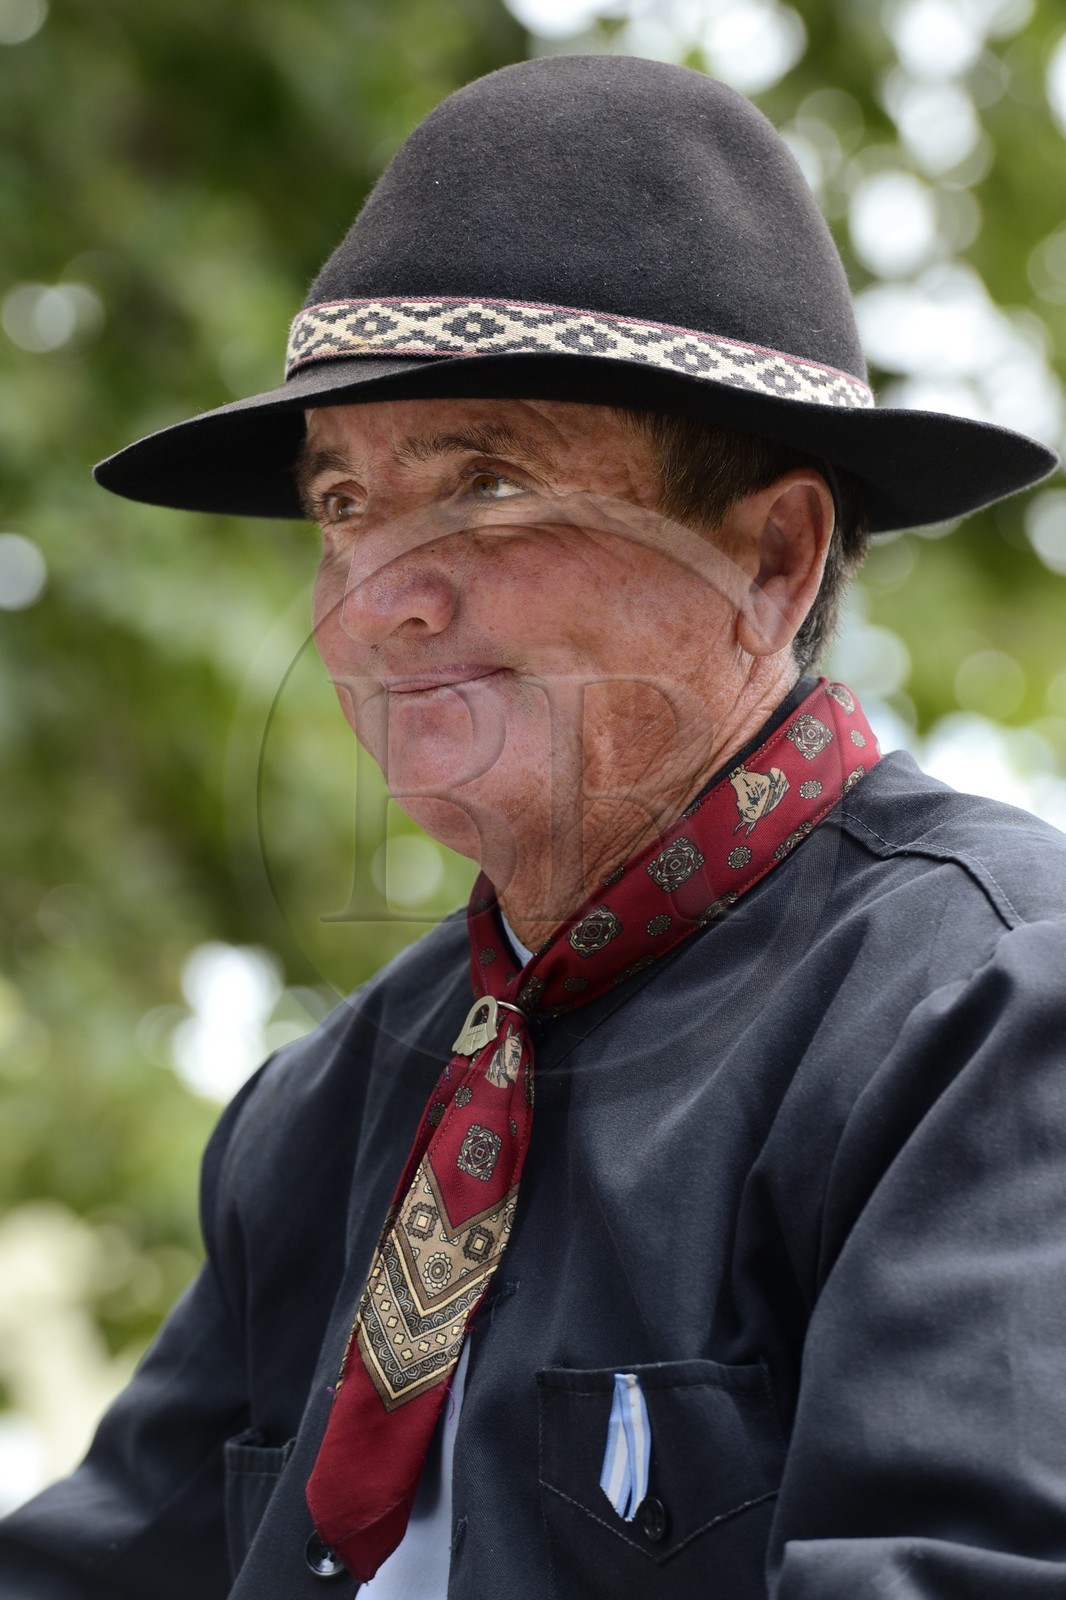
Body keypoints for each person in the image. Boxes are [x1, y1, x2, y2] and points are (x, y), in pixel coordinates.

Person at [2, 51, 1065, 1600]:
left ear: (768, 559)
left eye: (488, 484)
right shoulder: (324, 1110)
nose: (378, 597)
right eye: (345, 505)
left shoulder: (990, 1008)